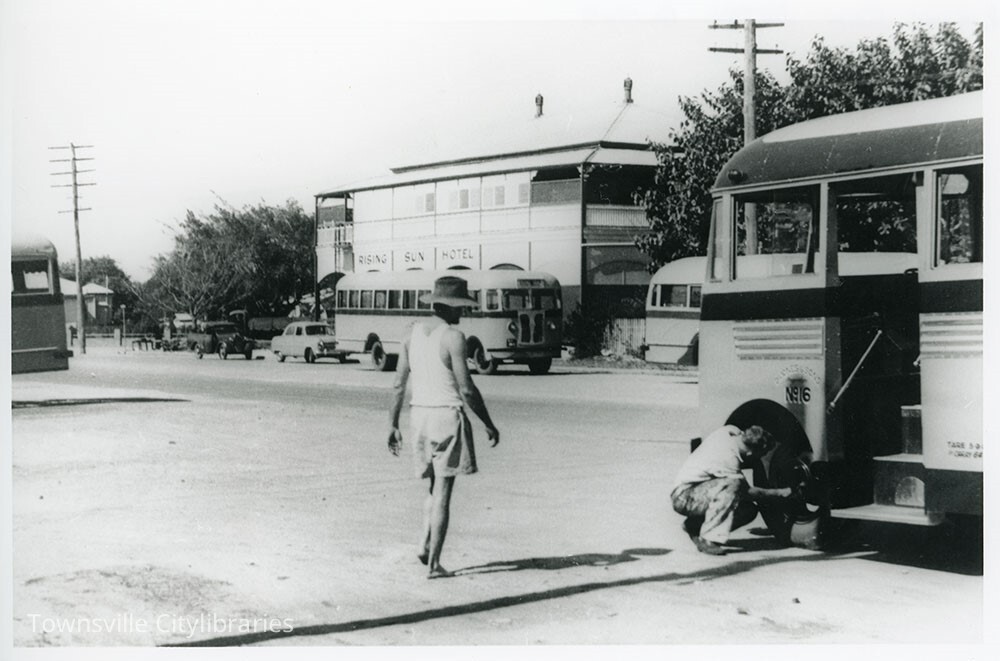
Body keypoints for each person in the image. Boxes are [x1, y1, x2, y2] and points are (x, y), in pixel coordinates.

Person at [388, 275, 500, 579]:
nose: (463, 313)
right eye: (460, 307)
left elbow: (398, 383)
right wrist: (488, 423)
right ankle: (435, 564)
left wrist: (393, 424)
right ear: (450, 307)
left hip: (418, 418)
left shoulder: (411, 335)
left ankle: (425, 544)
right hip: (446, 418)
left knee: (432, 486)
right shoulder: (454, 337)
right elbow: (466, 388)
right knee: (444, 492)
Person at [670, 424, 798, 555]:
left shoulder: (731, 431)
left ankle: (694, 526)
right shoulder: (729, 458)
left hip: (699, 490)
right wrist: (780, 492)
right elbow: (748, 493)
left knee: (748, 510)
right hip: (684, 496)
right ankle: (709, 539)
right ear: (750, 453)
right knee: (733, 485)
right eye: (762, 454)